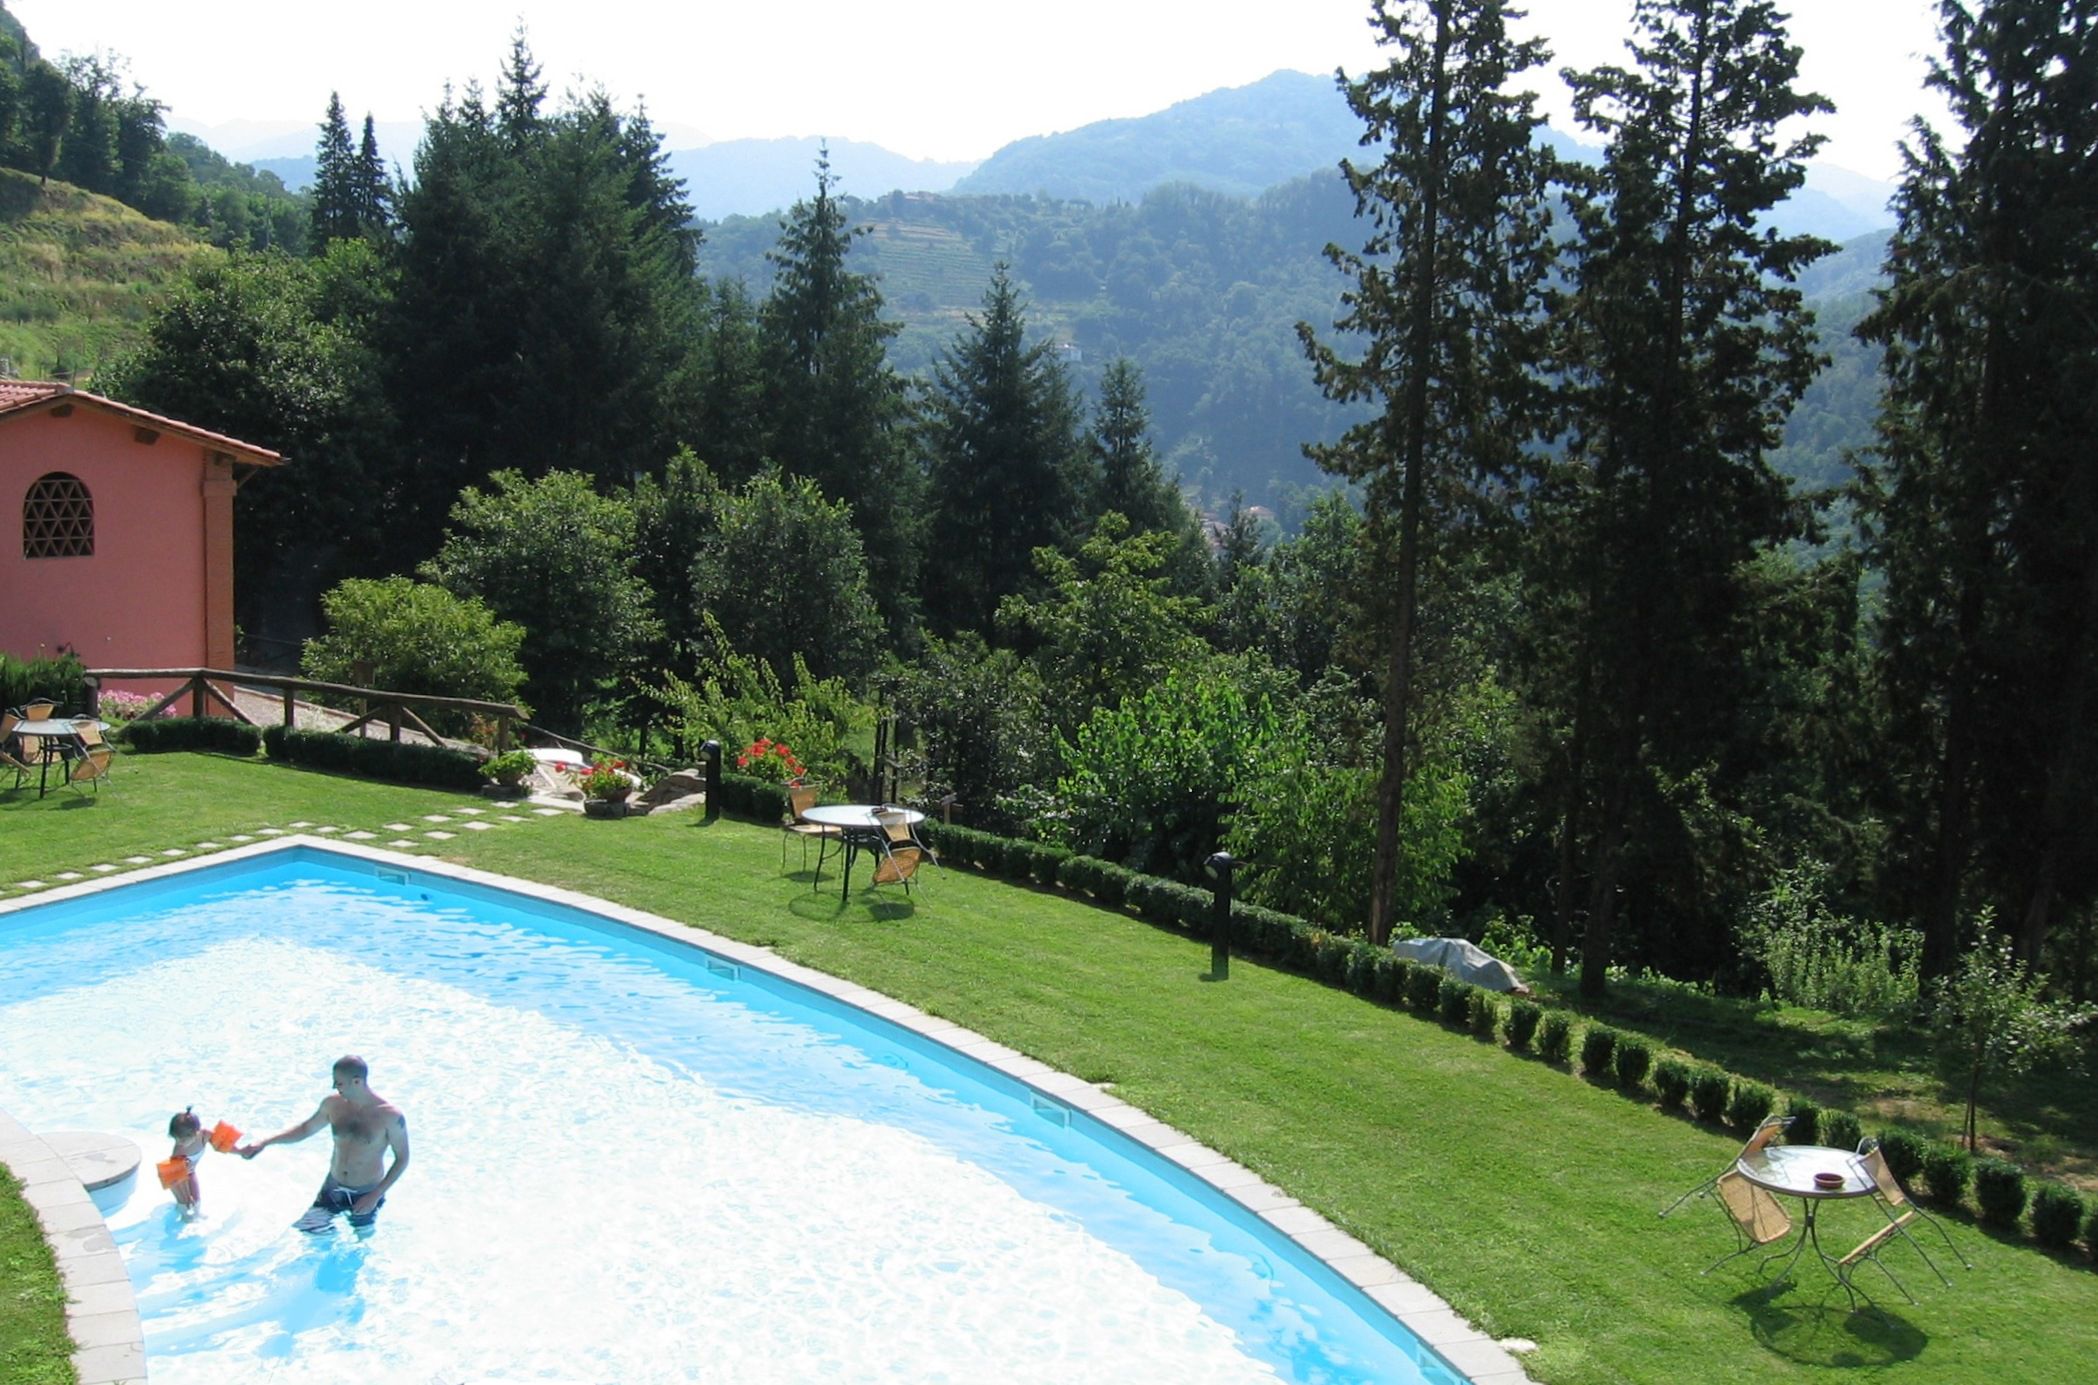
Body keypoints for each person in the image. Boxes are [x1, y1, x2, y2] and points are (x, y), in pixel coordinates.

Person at [240, 1054, 409, 1233]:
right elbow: (305, 1129)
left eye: (339, 1083)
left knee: (360, 1245)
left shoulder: (390, 1117)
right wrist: (265, 1142)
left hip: (366, 1193)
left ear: (357, 1082)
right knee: (308, 1230)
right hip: (333, 1189)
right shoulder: (333, 1105)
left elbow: (402, 1159)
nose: (334, 1087)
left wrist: (375, 1195)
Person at [165, 1108, 207, 1215]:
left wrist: (242, 1151)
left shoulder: (205, 1135)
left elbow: (223, 1144)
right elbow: (176, 1179)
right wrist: (187, 1197)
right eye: (176, 1139)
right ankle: (183, 1213)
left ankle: (196, 1216)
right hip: (175, 1177)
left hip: (190, 1172)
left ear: (195, 1133)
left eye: (182, 1140)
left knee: (197, 1201)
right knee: (185, 1205)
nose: (179, 1143)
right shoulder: (178, 1152)